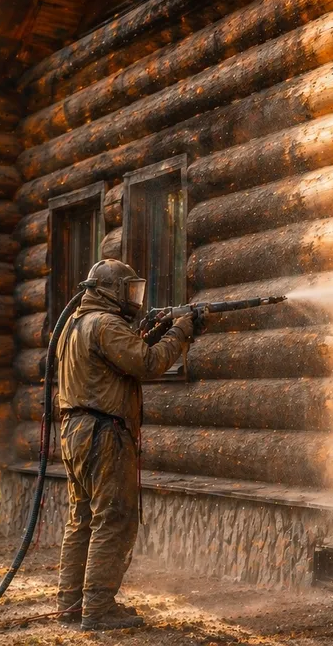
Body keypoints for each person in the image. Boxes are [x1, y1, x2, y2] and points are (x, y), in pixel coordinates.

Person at [54, 259, 202, 631]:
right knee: (113, 518)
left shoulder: (76, 324)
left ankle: (71, 605)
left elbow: (122, 360)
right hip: (104, 433)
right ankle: (98, 609)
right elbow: (148, 364)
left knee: (82, 519)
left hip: (76, 431)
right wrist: (180, 332)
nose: (134, 298)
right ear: (110, 291)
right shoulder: (105, 324)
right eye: (129, 289)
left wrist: (155, 332)